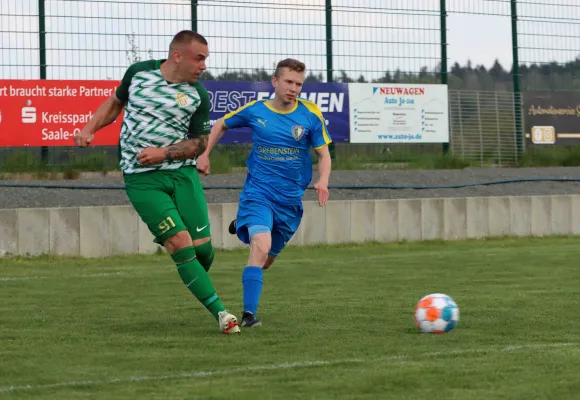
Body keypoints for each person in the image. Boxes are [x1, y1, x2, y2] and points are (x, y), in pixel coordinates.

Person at [74, 30, 240, 335]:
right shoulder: (139, 74)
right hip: (141, 180)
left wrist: (163, 153)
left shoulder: (197, 95)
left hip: (183, 175)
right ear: (177, 56)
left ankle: (192, 274)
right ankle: (222, 314)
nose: (204, 65)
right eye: (199, 58)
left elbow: (200, 143)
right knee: (180, 243)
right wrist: (89, 128)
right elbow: (114, 103)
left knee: (202, 253)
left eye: (206, 59)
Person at [196, 58, 332, 327]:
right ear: (275, 81)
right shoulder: (256, 110)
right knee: (261, 246)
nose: (293, 88)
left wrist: (323, 180)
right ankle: (249, 315)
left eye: (298, 84)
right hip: (258, 194)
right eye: (289, 82)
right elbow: (221, 124)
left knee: (266, 260)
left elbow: (323, 154)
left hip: (290, 201)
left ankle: (242, 224)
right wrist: (205, 153)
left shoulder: (310, 114)